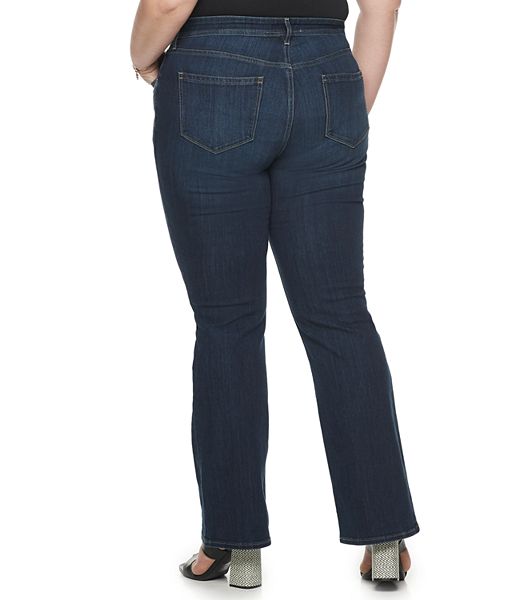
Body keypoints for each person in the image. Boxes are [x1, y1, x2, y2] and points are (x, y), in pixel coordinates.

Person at [130, 0, 418, 588]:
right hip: (328, 71)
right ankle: (384, 538)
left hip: (213, 73)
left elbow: (167, 3)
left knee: (227, 323)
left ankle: (235, 546)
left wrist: (141, 57)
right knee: (340, 318)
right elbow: (383, 4)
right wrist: (343, 109)